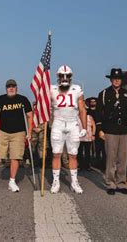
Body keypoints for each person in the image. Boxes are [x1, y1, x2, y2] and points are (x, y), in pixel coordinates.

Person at [95, 68, 127, 195]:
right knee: (111, 158)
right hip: (110, 130)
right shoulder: (103, 94)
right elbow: (98, 113)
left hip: (125, 130)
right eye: (114, 78)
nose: (117, 80)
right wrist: (100, 129)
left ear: (121, 80)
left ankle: (121, 183)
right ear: (111, 80)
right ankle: (111, 184)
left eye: (118, 78)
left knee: (123, 158)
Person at [49, 65, 87, 194]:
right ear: (58, 77)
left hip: (72, 124)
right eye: (62, 76)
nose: (64, 78)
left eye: (67, 76)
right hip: (58, 124)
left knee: (73, 154)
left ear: (71, 77)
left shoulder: (77, 89)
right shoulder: (52, 89)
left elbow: (82, 109)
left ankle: (74, 182)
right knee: (56, 154)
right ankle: (56, 181)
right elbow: (45, 107)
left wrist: (85, 127)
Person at [0, 79, 33, 192]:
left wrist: (29, 131)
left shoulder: (23, 99)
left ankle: (12, 180)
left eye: (13, 86)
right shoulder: (0, 99)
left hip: (19, 132)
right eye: (9, 86)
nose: (11, 88)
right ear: (6, 88)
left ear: (16, 87)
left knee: (16, 156)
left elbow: (29, 116)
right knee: (1, 155)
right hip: (4, 131)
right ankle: (7, 171)